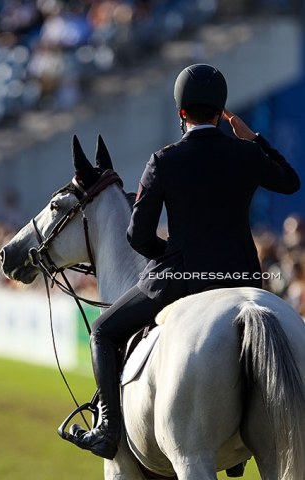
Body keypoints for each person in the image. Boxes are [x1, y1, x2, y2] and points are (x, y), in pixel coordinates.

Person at [66, 64, 300, 460]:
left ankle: (107, 428)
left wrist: (171, 257)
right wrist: (255, 139)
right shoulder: (245, 153)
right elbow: (290, 181)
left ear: (181, 113)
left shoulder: (163, 160)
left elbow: (137, 237)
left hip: (183, 277)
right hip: (241, 278)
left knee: (103, 333)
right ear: (220, 111)